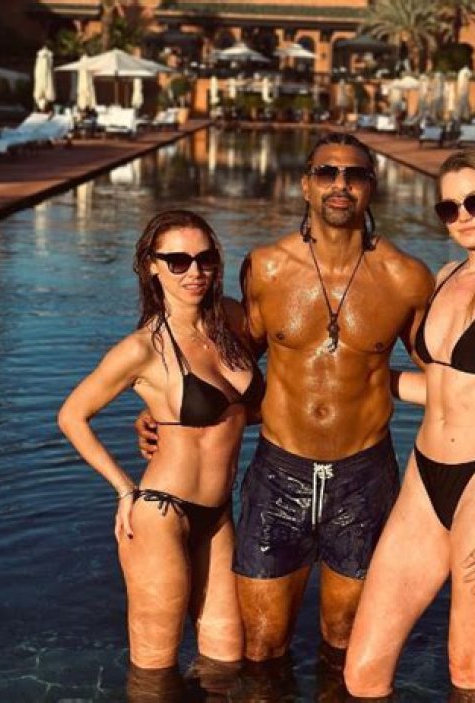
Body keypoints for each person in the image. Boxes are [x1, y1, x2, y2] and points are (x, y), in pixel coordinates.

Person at [137, 133, 436, 664]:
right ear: (305, 185)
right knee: (261, 648)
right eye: (327, 173)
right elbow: (227, 362)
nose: (340, 185)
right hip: (279, 474)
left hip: (363, 477)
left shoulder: (407, 278)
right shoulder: (266, 268)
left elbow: (439, 370)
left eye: (354, 174)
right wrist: (164, 409)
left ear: (372, 186)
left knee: (346, 642)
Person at [344, 149, 475, 701]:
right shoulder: (445, 276)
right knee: (361, 673)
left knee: (470, 674)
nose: (462, 216)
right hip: (424, 477)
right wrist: (355, 376)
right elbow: (439, 387)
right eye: (449, 207)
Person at [58, 209, 263, 670]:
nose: (195, 272)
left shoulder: (230, 321)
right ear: (152, 266)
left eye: (205, 259)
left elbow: (241, 409)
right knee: (155, 671)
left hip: (218, 516)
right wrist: (124, 488)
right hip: (161, 514)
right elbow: (72, 416)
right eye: (178, 261)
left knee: (226, 662)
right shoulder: (143, 348)